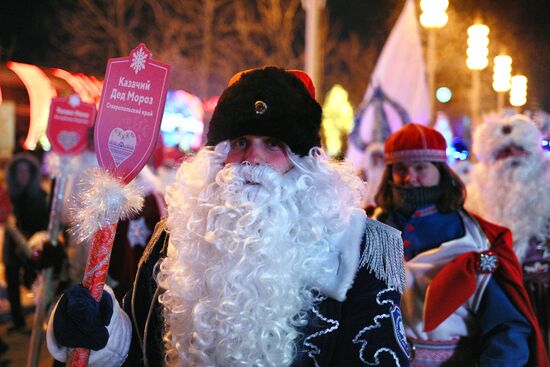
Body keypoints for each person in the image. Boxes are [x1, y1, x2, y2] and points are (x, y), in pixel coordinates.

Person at [46, 67, 410, 366]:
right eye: (239, 143)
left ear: (304, 162)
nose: (253, 159)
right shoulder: (174, 236)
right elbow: (141, 348)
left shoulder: (361, 250)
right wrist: (102, 332)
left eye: (274, 144)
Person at [372, 123, 548, 366]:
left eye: (420, 167)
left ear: (440, 171)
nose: (410, 177)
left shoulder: (475, 237)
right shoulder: (367, 228)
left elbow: (507, 328)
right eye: (400, 168)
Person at [466, 114, 550, 355]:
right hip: (495, 302)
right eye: (503, 152)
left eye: (519, 150)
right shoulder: (472, 202)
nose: (512, 158)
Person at [3, 153, 49, 333]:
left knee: (34, 283)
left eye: (25, 171)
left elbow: (44, 225)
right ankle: (18, 322)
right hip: (11, 248)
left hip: (32, 248)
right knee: (12, 283)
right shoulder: (9, 197)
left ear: (32, 173)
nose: (22, 175)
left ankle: (42, 321)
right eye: (18, 172)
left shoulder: (40, 196)